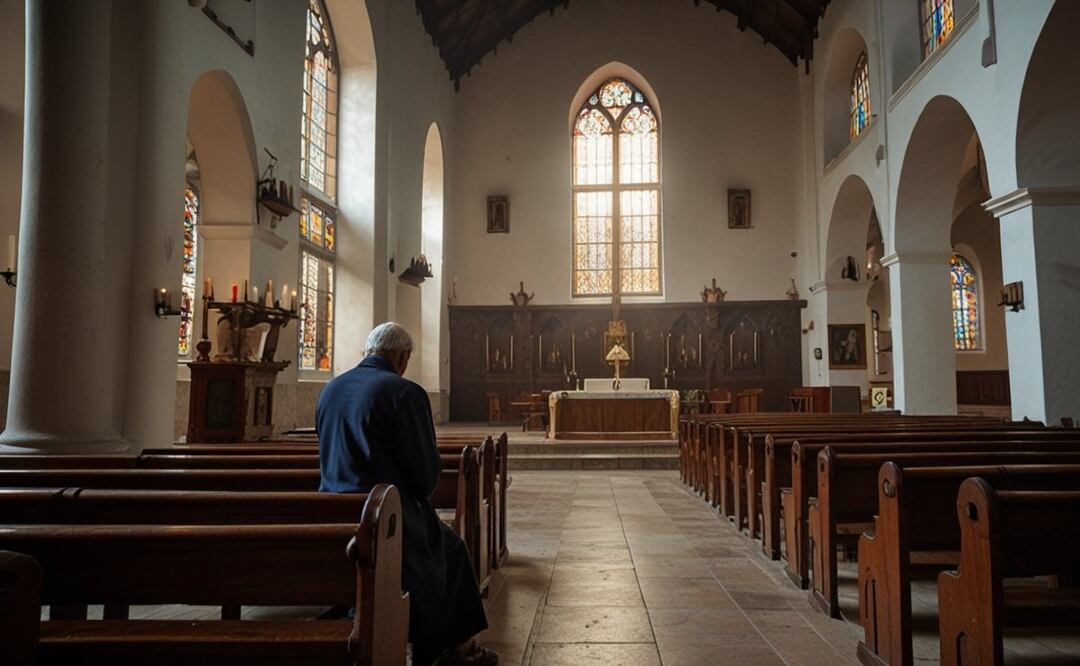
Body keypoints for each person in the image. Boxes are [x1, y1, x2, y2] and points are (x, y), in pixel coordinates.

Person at [317, 322, 498, 666]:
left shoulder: (331, 389)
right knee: (451, 551)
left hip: (332, 510)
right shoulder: (404, 392)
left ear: (368, 351)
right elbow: (424, 474)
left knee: (437, 547)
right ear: (401, 356)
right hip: (386, 516)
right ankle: (454, 648)